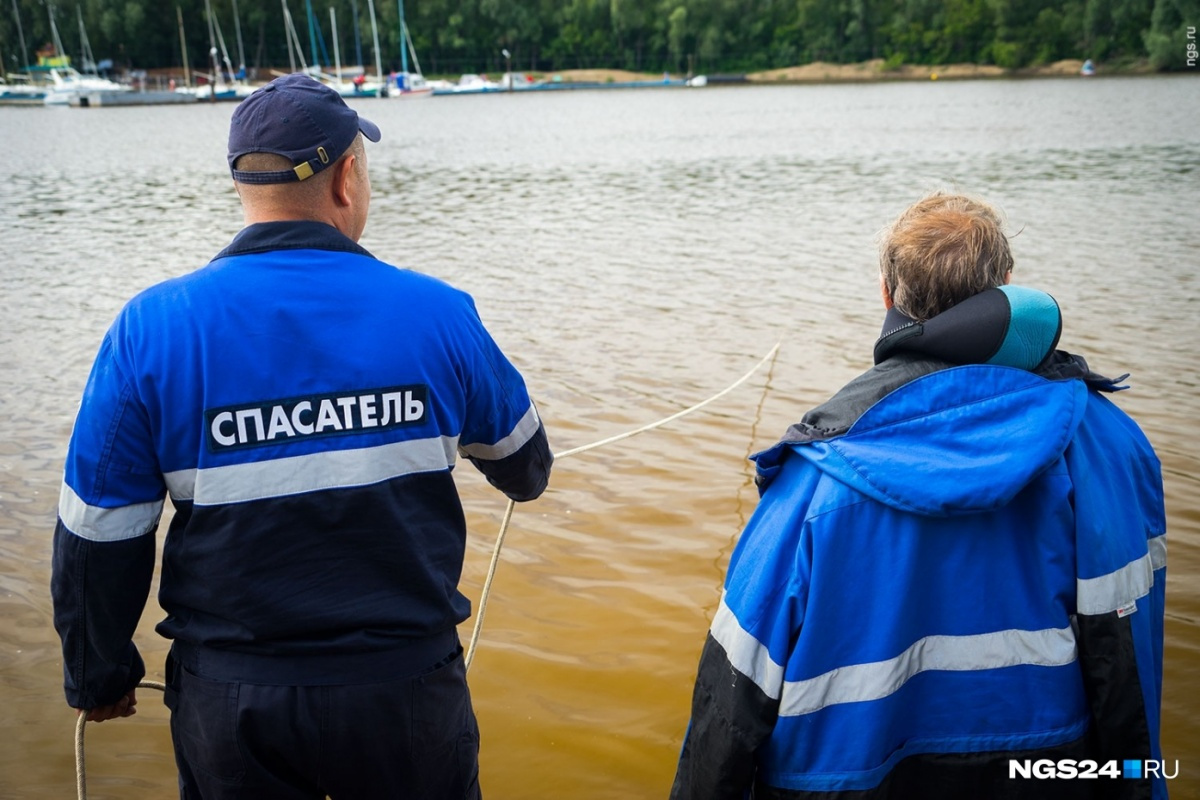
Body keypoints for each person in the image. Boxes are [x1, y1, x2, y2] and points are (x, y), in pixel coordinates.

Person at [51, 73, 552, 799]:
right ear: (347, 178)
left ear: (243, 186)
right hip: (405, 698)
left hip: (233, 707)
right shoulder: (438, 314)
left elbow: (99, 534)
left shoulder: (151, 329)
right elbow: (525, 469)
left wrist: (98, 674)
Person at [670, 193, 1167, 799]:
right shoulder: (1105, 444)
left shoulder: (813, 485)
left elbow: (730, 704)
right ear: (1006, 288)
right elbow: (1129, 668)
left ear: (886, 296)